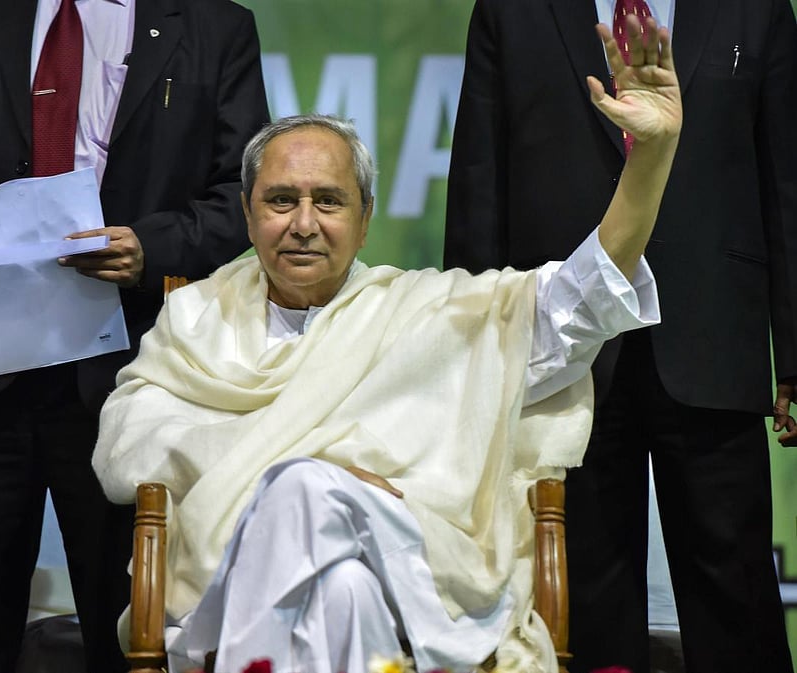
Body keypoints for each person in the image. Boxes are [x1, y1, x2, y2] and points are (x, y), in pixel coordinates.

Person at [94, 18, 680, 673]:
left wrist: (650, 160)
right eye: (281, 200)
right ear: (249, 211)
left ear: (366, 218)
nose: (304, 224)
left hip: (410, 583)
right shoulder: (199, 321)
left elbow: (582, 298)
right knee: (331, 564)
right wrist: (321, 472)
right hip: (234, 587)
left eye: (330, 201)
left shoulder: (427, 316)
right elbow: (124, 449)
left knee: (317, 510)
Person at [0, 0, 269, 670]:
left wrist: (150, 249)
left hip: (127, 379)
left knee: (125, 633)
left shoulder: (215, 25)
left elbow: (241, 193)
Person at [444, 1, 797, 672]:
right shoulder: (509, 11)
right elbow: (478, 181)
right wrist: (476, 350)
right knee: (585, 596)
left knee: (736, 591)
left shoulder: (755, 8)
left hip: (712, 332)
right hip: (564, 340)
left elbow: (786, 178)